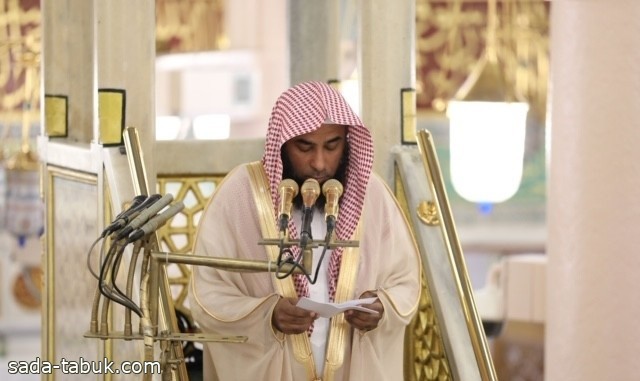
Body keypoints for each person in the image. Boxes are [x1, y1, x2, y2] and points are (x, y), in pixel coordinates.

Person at [188, 81, 421, 380]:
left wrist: (382, 308)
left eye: (332, 145)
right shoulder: (240, 194)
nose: (320, 163)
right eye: (305, 147)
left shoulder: (371, 195)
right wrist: (268, 314)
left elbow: (406, 283)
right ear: (282, 144)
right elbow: (207, 293)